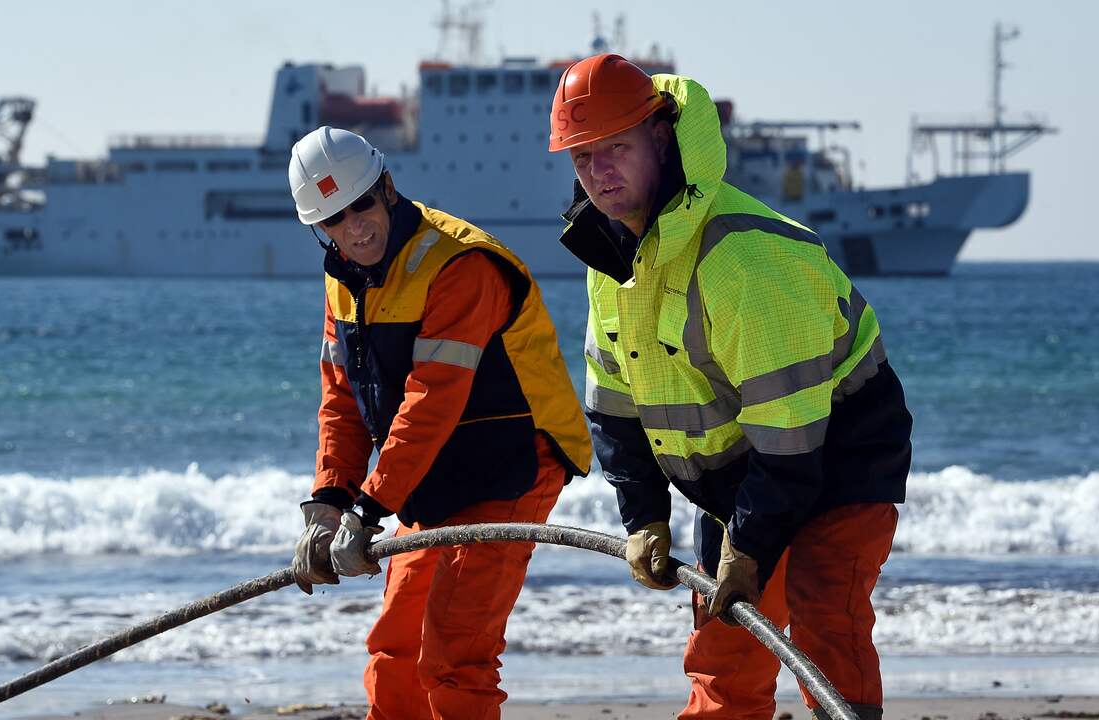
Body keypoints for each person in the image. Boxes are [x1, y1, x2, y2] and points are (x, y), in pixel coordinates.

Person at [549, 54, 913, 720]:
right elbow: (614, 402)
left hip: (840, 453)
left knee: (824, 619)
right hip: (738, 472)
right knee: (723, 647)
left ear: (660, 139)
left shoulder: (743, 256)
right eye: (581, 158)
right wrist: (643, 518)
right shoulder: (609, 257)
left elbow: (790, 436)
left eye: (614, 149)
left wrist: (746, 551)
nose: (598, 173)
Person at [287, 126, 592, 719]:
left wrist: (369, 509)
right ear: (318, 230)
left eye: (362, 206)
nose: (356, 227)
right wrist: (327, 502)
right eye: (334, 221)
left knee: (455, 656)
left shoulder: (460, 264)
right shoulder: (344, 278)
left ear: (388, 188)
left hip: (510, 467)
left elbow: (433, 398)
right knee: (395, 648)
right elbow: (343, 400)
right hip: (432, 474)